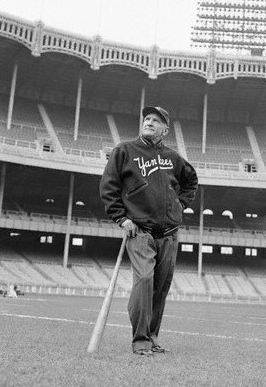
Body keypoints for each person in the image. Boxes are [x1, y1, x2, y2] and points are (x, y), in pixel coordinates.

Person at [100, 106, 198, 356]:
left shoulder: (173, 158)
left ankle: (152, 337)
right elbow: (109, 187)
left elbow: (191, 181)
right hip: (139, 230)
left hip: (169, 232)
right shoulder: (124, 150)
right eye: (147, 119)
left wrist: (179, 205)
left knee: (160, 287)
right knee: (144, 280)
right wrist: (121, 218)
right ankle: (140, 339)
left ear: (165, 129)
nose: (150, 122)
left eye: (156, 120)